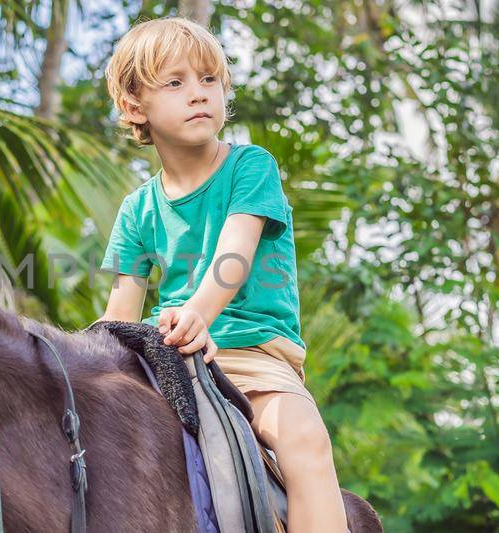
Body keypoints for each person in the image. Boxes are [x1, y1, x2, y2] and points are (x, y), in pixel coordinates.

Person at [95, 17, 349, 532]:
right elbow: (119, 316)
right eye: (175, 82)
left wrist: (196, 316)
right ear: (134, 106)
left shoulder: (249, 166)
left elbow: (234, 257)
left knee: (303, 439)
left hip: (253, 357)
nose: (198, 94)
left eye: (208, 80)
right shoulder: (137, 209)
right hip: (173, 362)